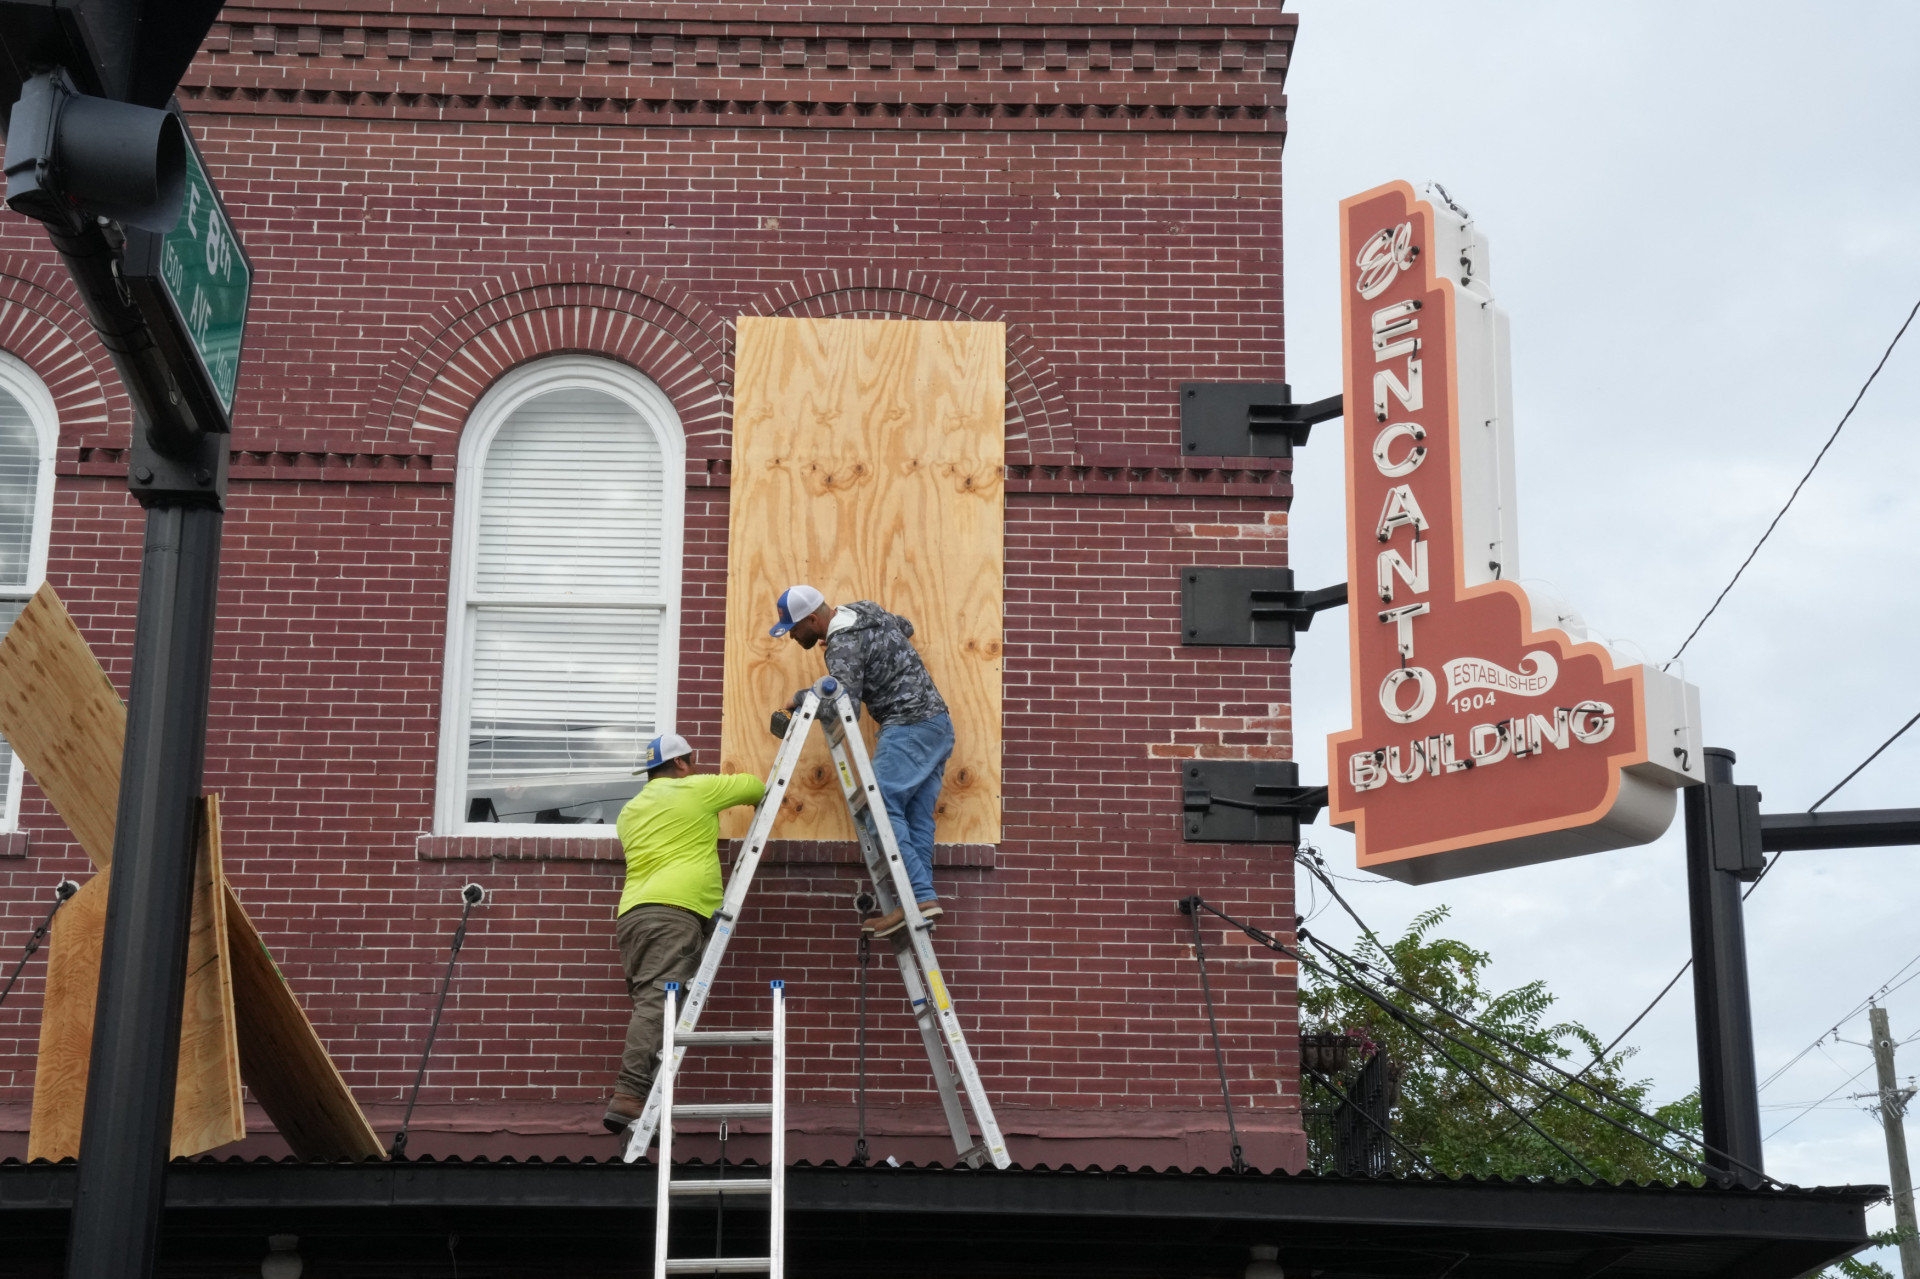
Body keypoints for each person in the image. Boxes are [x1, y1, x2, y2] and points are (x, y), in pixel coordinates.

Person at [602, 732, 765, 1135]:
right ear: (681, 763)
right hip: (675, 914)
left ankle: (646, 1109)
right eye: (690, 760)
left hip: (633, 916)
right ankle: (629, 1093)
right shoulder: (695, 789)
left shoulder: (629, 811)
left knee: (654, 1006)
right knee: (657, 1006)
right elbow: (757, 787)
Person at [770, 584, 953, 937]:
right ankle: (922, 898)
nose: (792, 636)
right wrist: (857, 654)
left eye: (795, 628)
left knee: (878, 803)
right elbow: (904, 626)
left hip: (909, 725)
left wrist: (799, 699)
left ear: (812, 619)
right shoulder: (866, 610)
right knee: (914, 818)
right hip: (937, 725)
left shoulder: (843, 645)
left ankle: (916, 896)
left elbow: (844, 707)